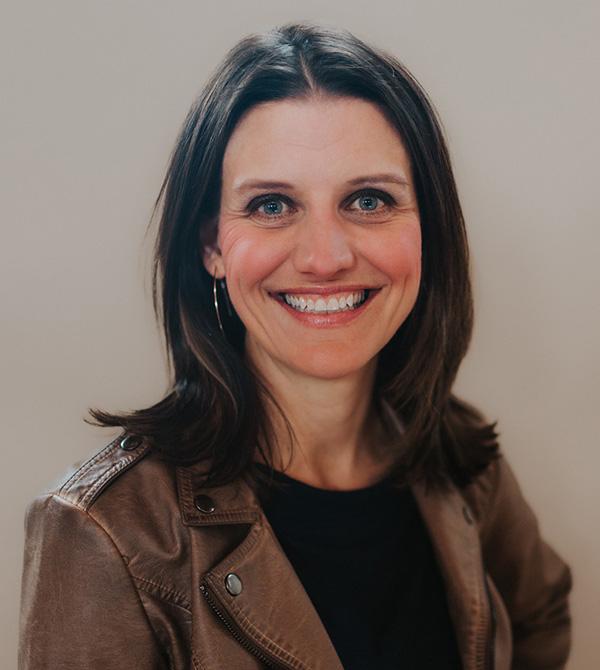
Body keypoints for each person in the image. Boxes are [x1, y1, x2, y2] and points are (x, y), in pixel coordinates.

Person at [18, 21, 572, 670]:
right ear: (211, 247)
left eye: (368, 199)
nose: (325, 257)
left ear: (429, 229)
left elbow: (541, 618)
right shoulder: (103, 530)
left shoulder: (461, 461)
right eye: (273, 205)